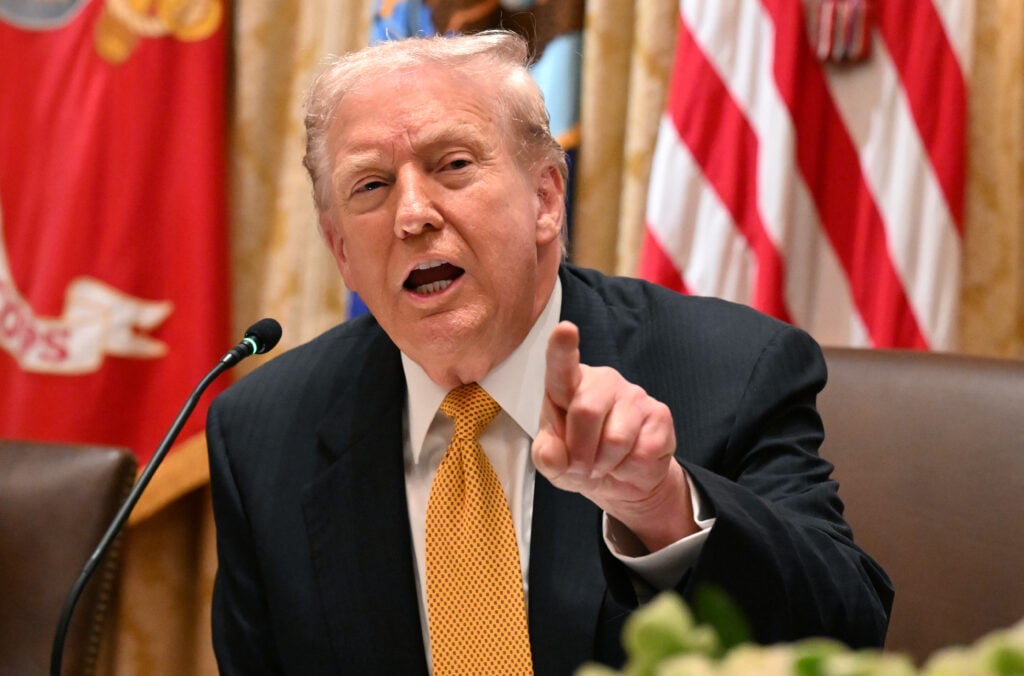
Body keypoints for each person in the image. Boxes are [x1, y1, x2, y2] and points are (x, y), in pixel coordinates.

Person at [206, 30, 893, 675]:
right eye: (372, 186)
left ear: (545, 198)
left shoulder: (729, 368)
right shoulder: (263, 432)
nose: (412, 214)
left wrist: (662, 506)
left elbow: (847, 633)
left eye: (453, 165)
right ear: (339, 252)